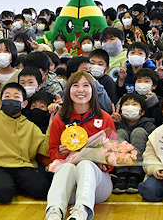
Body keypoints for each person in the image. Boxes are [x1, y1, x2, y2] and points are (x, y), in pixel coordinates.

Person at [45, 72, 116, 220]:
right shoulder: (60, 119)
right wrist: (60, 152)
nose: (80, 90)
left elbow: (114, 153)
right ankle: (54, 212)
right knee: (66, 166)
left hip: (97, 189)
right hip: (69, 190)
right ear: (69, 90)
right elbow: (52, 152)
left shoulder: (105, 118)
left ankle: (82, 212)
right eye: (75, 85)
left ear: (93, 90)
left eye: (86, 85)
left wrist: (104, 162)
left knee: (85, 163)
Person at [111, 93, 156, 193]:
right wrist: (114, 123)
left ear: (142, 112)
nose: (130, 107)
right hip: (120, 167)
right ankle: (122, 175)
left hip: (139, 168)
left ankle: (135, 176)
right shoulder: (118, 122)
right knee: (119, 133)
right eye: (126, 104)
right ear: (121, 111)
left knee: (138, 132)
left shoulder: (149, 124)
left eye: (135, 104)